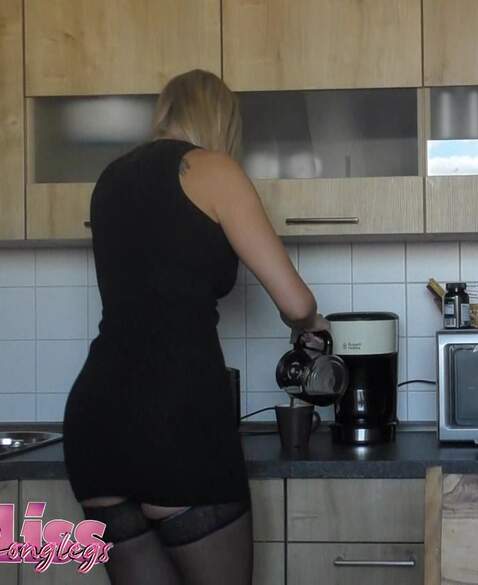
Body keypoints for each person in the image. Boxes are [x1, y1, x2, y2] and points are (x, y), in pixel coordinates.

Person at [62, 69, 326, 585]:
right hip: (177, 418)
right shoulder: (214, 169)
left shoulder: (110, 179)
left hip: (98, 421)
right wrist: (313, 323)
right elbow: (295, 303)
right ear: (221, 120)